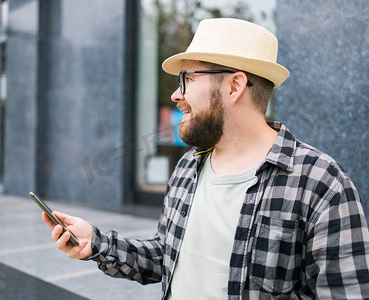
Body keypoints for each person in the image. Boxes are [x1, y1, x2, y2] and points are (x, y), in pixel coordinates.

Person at [43, 18, 369, 299]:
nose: (176, 95)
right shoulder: (188, 166)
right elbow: (166, 257)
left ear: (234, 86)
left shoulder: (320, 183)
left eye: (188, 79)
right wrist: (96, 242)